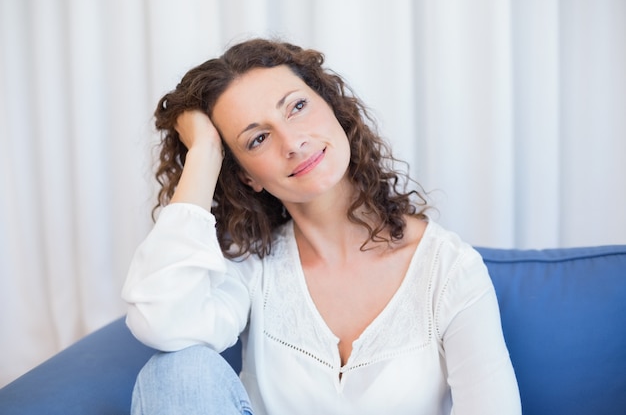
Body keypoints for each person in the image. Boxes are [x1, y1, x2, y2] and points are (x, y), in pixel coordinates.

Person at [122, 38, 521, 415]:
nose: (292, 142)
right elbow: (162, 322)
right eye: (258, 139)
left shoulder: (449, 270)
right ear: (247, 177)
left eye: (296, 107)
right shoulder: (251, 267)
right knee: (176, 371)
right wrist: (205, 153)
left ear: (332, 107)